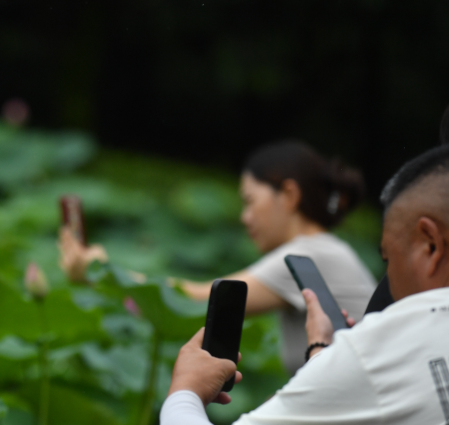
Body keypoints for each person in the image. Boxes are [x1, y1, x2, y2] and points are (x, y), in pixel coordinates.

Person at [161, 144, 449, 425]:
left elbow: (192, 297)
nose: (244, 216)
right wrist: (323, 357)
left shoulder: (312, 252)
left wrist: (185, 391)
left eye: (388, 260)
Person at [60, 141, 377, 372]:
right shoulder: (325, 250)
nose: (245, 217)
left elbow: (198, 301)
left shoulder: (309, 255)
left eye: (250, 201)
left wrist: (100, 270)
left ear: (290, 195)